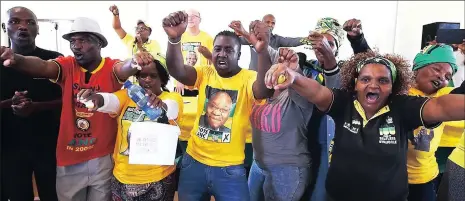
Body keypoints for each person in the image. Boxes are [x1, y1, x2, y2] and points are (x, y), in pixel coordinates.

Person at [265, 51, 465, 201]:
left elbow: (441, 106)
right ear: (355, 84)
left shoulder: (403, 107)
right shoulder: (344, 102)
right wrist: (294, 77)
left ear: (393, 87)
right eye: (366, 79)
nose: (373, 85)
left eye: (383, 80)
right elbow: (318, 92)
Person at [0, 17, 154, 201]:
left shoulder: (111, 66)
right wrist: (16, 59)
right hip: (68, 156)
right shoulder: (67, 65)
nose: (76, 46)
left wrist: (134, 63)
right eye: (73, 41)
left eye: (83, 40)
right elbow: (42, 66)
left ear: (100, 44)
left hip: (102, 156)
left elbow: (123, 68)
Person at [162, 11, 272, 201]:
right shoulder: (205, 73)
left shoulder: (248, 78)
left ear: (239, 54)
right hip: (193, 163)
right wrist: (174, 39)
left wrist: (262, 51)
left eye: (229, 50)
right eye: (218, 49)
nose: (222, 54)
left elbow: (264, 91)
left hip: (230, 169)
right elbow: (177, 71)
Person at [76, 55, 182, 201]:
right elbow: (110, 100)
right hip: (123, 176)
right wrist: (96, 99)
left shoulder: (172, 97)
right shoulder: (128, 96)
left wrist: (160, 106)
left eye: (153, 76)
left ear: (162, 80)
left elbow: (172, 109)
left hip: (158, 177)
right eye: (142, 76)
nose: (147, 79)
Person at [0, 6, 62, 201]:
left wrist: (36, 107)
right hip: (8, 145)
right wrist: (10, 103)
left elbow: (66, 101)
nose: (23, 27)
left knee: (53, 195)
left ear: (38, 29)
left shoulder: (55, 60)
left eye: (30, 22)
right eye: (15, 21)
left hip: (48, 143)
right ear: (5, 27)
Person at [406, 44, 463, 201]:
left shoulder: (444, 96)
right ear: (418, 67)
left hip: (425, 177)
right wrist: (358, 40)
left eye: (447, 77)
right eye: (437, 69)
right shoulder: (400, 91)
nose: (441, 77)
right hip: (393, 175)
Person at [230, 14, 306, 71]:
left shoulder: (277, 39)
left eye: (273, 23)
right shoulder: (253, 37)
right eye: (267, 22)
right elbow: (236, 40)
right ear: (262, 23)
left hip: (271, 75)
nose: (270, 25)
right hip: (254, 76)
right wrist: (237, 32)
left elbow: (292, 41)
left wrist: (308, 39)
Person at [110, 4, 162, 84]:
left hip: (145, 82)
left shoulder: (154, 43)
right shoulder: (130, 40)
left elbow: (151, 61)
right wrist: (116, 15)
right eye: (137, 28)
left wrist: (140, 47)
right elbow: (117, 28)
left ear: (149, 33)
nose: (139, 30)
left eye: (143, 28)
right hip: (130, 82)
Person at [174, 9, 214, 97]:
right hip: (182, 83)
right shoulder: (179, 37)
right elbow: (176, 60)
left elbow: (211, 61)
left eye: (194, 16)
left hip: (202, 83)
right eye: (188, 16)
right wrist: (179, 80)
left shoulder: (208, 38)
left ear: (200, 20)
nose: (190, 18)